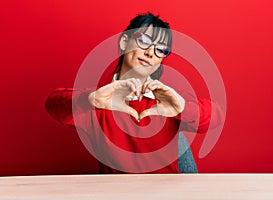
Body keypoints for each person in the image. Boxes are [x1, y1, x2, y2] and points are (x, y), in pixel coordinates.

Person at [45, 12, 224, 173]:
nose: (150, 53)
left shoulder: (168, 100)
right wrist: (91, 99)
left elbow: (216, 116)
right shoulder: (100, 99)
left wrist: (183, 109)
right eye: (144, 40)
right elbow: (53, 104)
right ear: (125, 42)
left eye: (160, 49)